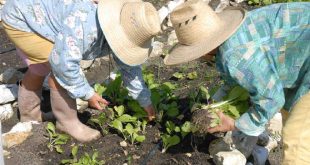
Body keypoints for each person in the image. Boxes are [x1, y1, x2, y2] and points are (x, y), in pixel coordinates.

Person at [164, 1, 310, 164]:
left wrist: (235, 124)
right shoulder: (236, 34)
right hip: (302, 53)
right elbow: (239, 78)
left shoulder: (235, 56)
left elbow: (271, 99)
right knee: (294, 113)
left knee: (296, 139)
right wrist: (215, 101)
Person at [1, 0, 159, 142]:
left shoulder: (116, 22)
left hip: (35, 14)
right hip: (21, 18)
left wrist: (145, 101)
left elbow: (129, 68)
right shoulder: (86, 25)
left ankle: (30, 116)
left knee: (40, 67)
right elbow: (64, 66)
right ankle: (67, 123)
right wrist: (87, 93)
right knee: (58, 71)